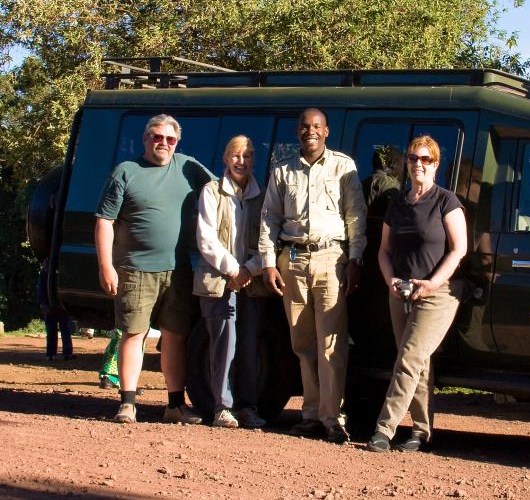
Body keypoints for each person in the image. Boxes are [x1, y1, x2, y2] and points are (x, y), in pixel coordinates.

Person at [94, 114, 213, 424]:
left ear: (177, 142)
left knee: (175, 336)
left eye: (170, 139)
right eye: (157, 137)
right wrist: (106, 265)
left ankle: (175, 405)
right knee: (134, 334)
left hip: (179, 269)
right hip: (134, 269)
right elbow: (105, 221)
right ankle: (128, 403)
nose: (163, 143)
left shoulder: (189, 168)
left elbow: (223, 190)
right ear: (146, 139)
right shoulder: (126, 171)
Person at [258, 108, 367, 443]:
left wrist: (356, 259)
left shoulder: (343, 166)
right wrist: (267, 262)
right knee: (303, 344)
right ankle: (312, 414)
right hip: (292, 260)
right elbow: (269, 218)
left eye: (316, 126)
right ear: (298, 132)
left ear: (326, 131)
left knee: (331, 344)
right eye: (305, 127)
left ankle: (333, 418)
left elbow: (356, 215)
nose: (311, 131)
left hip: (331, 258)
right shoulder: (282, 170)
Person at [367, 135, 467, 453]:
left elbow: (459, 250)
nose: (418, 164)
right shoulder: (398, 204)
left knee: (408, 358)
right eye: (413, 158)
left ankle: (384, 429)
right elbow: (383, 251)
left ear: (436, 165)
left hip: (438, 295)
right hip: (401, 291)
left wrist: (433, 284)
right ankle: (422, 431)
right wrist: (390, 281)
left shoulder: (446, 201)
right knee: (417, 362)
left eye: (425, 159)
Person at [194, 135, 268, 429]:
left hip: (252, 281)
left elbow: (269, 238)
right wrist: (234, 269)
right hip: (219, 281)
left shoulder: (261, 195)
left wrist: (250, 269)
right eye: (236, 156)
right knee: (224, 344)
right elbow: (206, 238)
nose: (242, 161)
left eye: (247, 156)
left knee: (250, 345)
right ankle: (222, 407)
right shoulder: (212, 191)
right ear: (226, 158)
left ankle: (247, 407)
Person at [36, 260, 74, 360]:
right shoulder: (45, 274)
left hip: (60, 305)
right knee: (56, 329)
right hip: (52, 305)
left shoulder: (53, 273)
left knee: (63, 329)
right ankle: (53, 354)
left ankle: (64, 353)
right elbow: (41, 289)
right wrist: (43, 304)